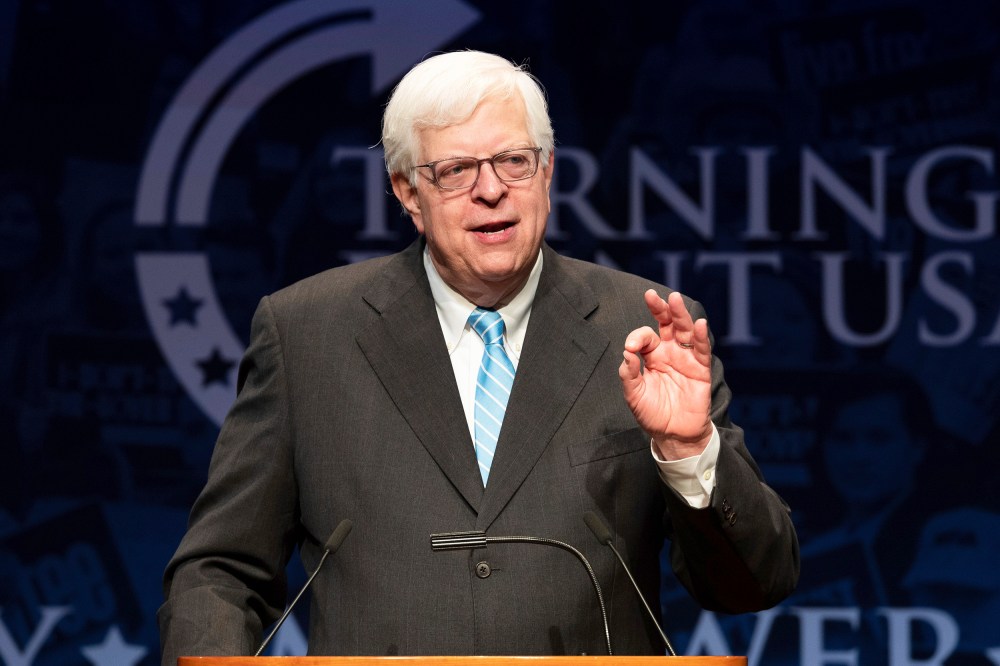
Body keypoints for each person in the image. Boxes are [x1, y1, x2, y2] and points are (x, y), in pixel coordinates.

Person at [158, 50, 798, 663]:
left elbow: (752, 585)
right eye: (456, 170)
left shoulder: (646, 332)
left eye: (513, 161)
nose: (490, 190)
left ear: (547, 173)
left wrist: (689, 451)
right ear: (408, 193)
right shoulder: (306, 334)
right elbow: (221, 570)